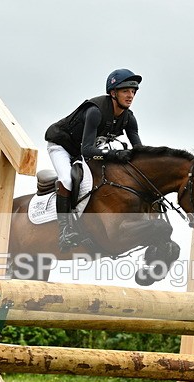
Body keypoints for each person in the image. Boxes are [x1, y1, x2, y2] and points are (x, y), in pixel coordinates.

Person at [45, 68, 143, 251]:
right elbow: (87, 150)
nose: (130, 96)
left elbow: (140, 150)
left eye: (133, 92)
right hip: (61, 146)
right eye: (125, 91)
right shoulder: (95, 111)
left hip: (85, 150)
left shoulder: (129, 118)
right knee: (67, 179)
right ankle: (64, 232)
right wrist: (115, 155)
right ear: (113, 93)